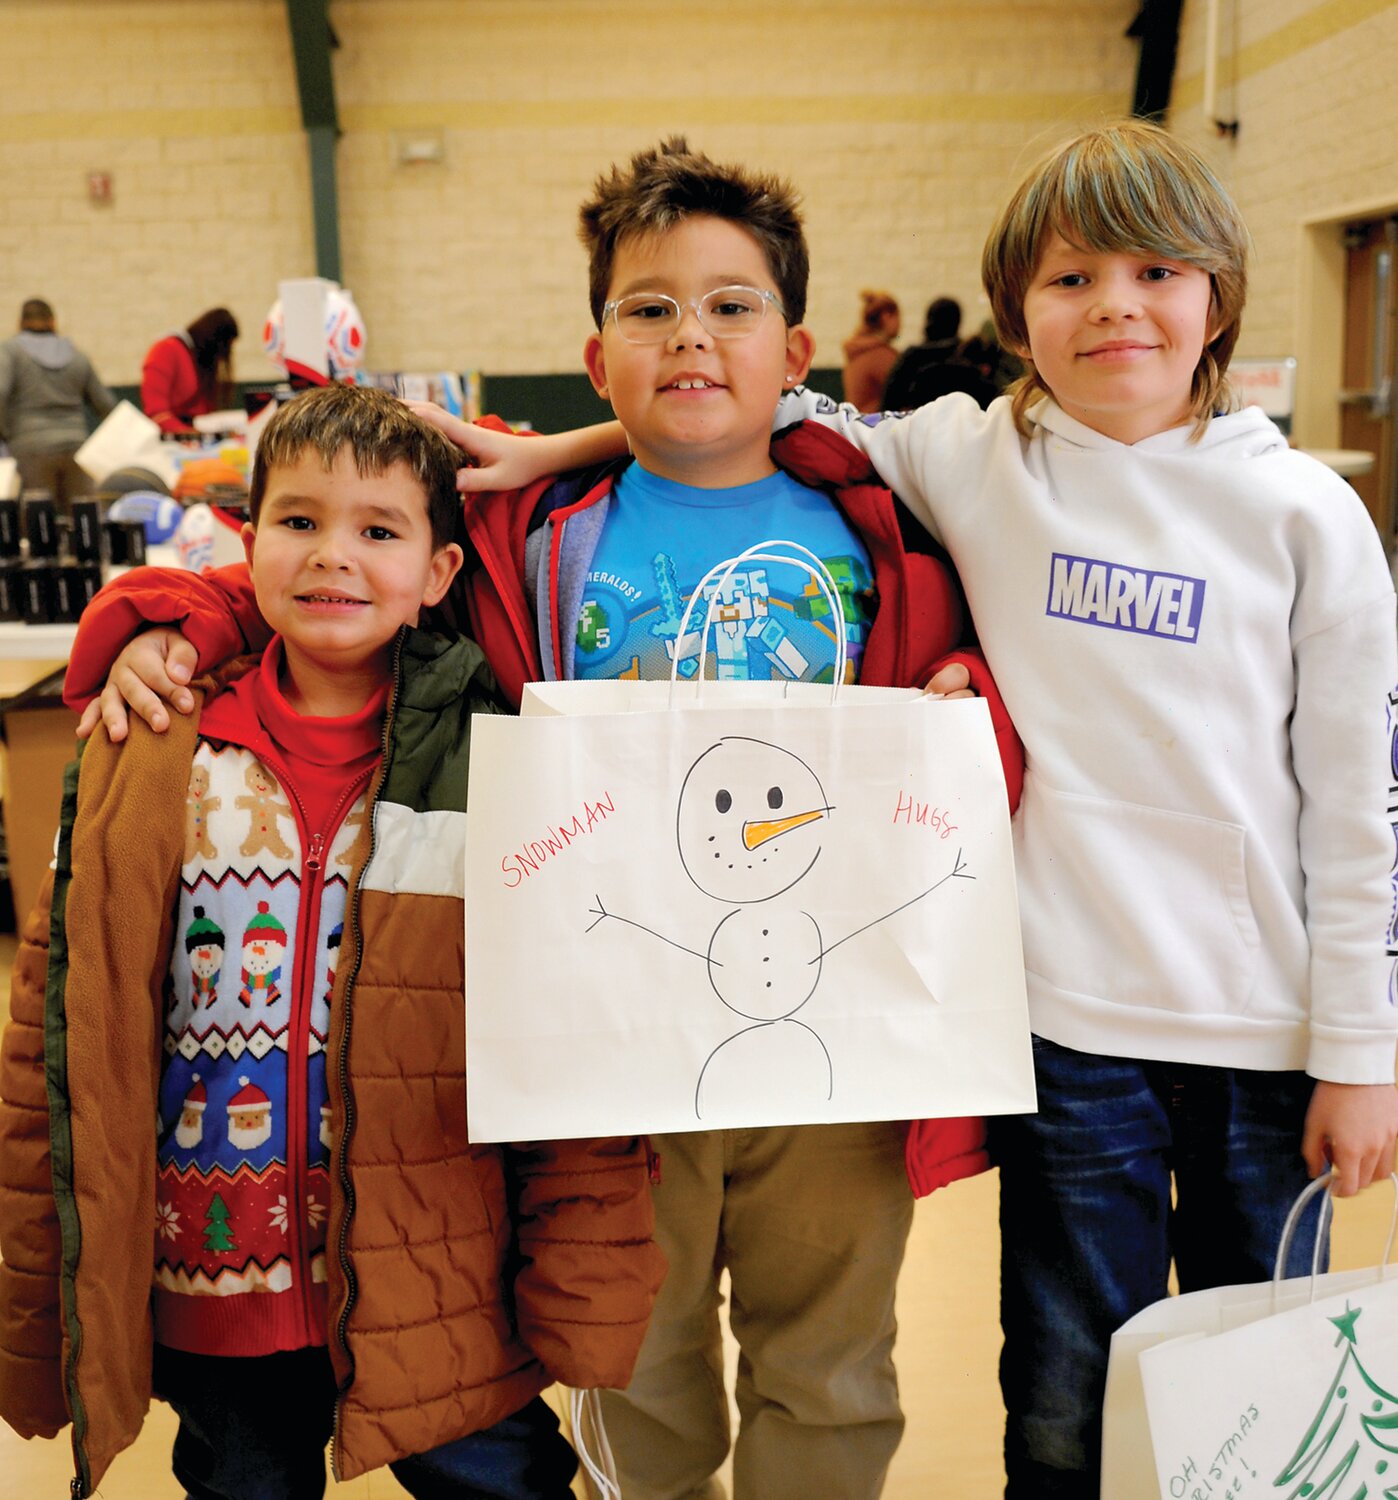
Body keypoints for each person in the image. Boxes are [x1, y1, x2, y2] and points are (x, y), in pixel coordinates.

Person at [323, 120, 1398, 1500]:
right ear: (1016, 310)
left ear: (1219, 297)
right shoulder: (975, 459)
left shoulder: (1301, 517)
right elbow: (725, 399)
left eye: (1154, 272)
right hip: (1034, 1027)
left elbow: (1359, 804)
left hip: (1225, 1029)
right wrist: (545, 457)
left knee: (1254, 1389)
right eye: (1070, 280)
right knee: (1058, 1380)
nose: (1115, 307)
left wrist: (1360, 1047)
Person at [53, 138, 1023, 1500]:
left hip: (831, 1050)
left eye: (731, 306)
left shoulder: (889, 528)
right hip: (611, 1053)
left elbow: (1007, 680)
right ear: (596, 351)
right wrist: (163, 626)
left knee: (831, 1370)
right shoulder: (530, 535)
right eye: (650, 309)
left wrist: (959, 694)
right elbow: (333, 589)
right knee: (634, 1361)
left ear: (793, 345)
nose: (691, 335)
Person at [0, 383, 664, 1500]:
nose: (333, 558)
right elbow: (55, 1038)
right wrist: (34, 1281)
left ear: (438, 576)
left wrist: (582, 1275)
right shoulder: (152, 754)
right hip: (211, 1283)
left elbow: (571, 1038)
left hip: (441, 1283)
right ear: (247, 544)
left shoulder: (497, 759)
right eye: (299, 522)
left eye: (379, 530)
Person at [0, 298, 115, 510]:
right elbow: (107, 405)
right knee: (82, 520)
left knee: (38, 522)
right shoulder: (77, 355)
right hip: (77, 446)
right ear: (53, 321)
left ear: (19, 322)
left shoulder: (10, 352)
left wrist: (6, 434)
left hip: (30, 449)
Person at [882, 297, 996, 412]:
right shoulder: (967, 354)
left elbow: (890, 402)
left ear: (929, 320)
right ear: (957, 322)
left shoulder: (913, 356)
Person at [141, 306, 239, 433]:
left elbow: (204, 414)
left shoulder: (199, 361)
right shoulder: (166, 350)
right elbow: (155, 412)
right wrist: (192, 434)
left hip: (193, 437)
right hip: (169, 440)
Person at [840, 288, 900, 412]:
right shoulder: (882, 357)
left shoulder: (857, 351)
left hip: (858, 426)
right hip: (879, 427)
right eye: (897, 316)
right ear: (886, 317)